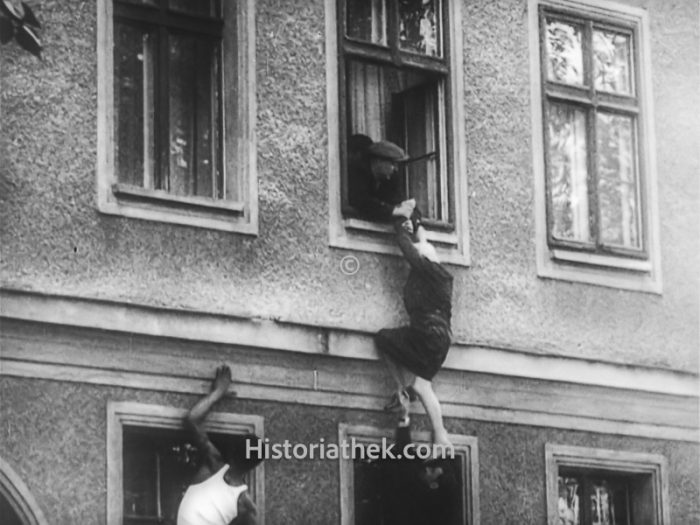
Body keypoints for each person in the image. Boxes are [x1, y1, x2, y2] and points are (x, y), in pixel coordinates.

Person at [375, 213, 454, 449]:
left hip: (427, 334)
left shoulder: (426, 268)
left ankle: (401, 392)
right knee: (422, 385)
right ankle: (440, 436)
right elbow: (423, 240)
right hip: (439, 338)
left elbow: (408, 248)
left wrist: (400, 225)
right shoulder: (439, 274)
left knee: (383, 339)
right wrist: (415, 221)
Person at [177, 365, 262, 525]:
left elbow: (192, 419)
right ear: (254, 466)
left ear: (233, 450)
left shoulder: (213, 462)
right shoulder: (244, 503)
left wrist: (218, 392)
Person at [379, 390, 461, 525]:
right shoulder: (425, 487)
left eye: (432, 470)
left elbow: (404, 457)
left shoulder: (415, 494)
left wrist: (403, 417)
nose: (427, 468)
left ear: (433, 485)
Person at [347, 135, 415, 222]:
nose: (395, 169)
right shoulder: (357, 175)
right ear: (378, 162)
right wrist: (394, 211)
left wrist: (417, 225)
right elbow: (362, 201)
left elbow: (400, 201)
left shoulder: (389, 179)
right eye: (392, 164)